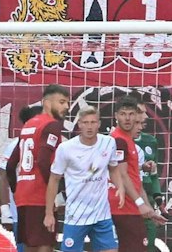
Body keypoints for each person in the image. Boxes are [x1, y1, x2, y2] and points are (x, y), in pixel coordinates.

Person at [47, 106, 126, 252]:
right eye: (85, 122)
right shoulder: (66, 148)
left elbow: (113, 168)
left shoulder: (108, 143)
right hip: (76, 215)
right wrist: (48, 213)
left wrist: (120, 187)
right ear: (79, 125)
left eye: (93, 122)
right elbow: (54, 179)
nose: (89, 126)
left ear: (99, 124)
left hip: (101, 213)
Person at [10, 85, 72, 252]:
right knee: (45, 244)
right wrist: (56, 191)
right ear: (46, 103)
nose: (66, 107)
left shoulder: (28, 124)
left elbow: (10, 165)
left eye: (67, 103)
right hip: (40, 195)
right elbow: (43, 161)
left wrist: (18, 189)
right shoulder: (52, 125)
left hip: (24, 195)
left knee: (31, 244)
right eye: (61, 102)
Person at [108, 96, 165, 252]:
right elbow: (122, 176)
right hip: (121, 208)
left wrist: (149, 209)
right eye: (123, 114)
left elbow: (135, 180)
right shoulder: (118, 140)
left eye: (131, 114)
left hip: (131, 207)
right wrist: (141, 204)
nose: (128, 118)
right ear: (116, 116)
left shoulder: (129, 141)